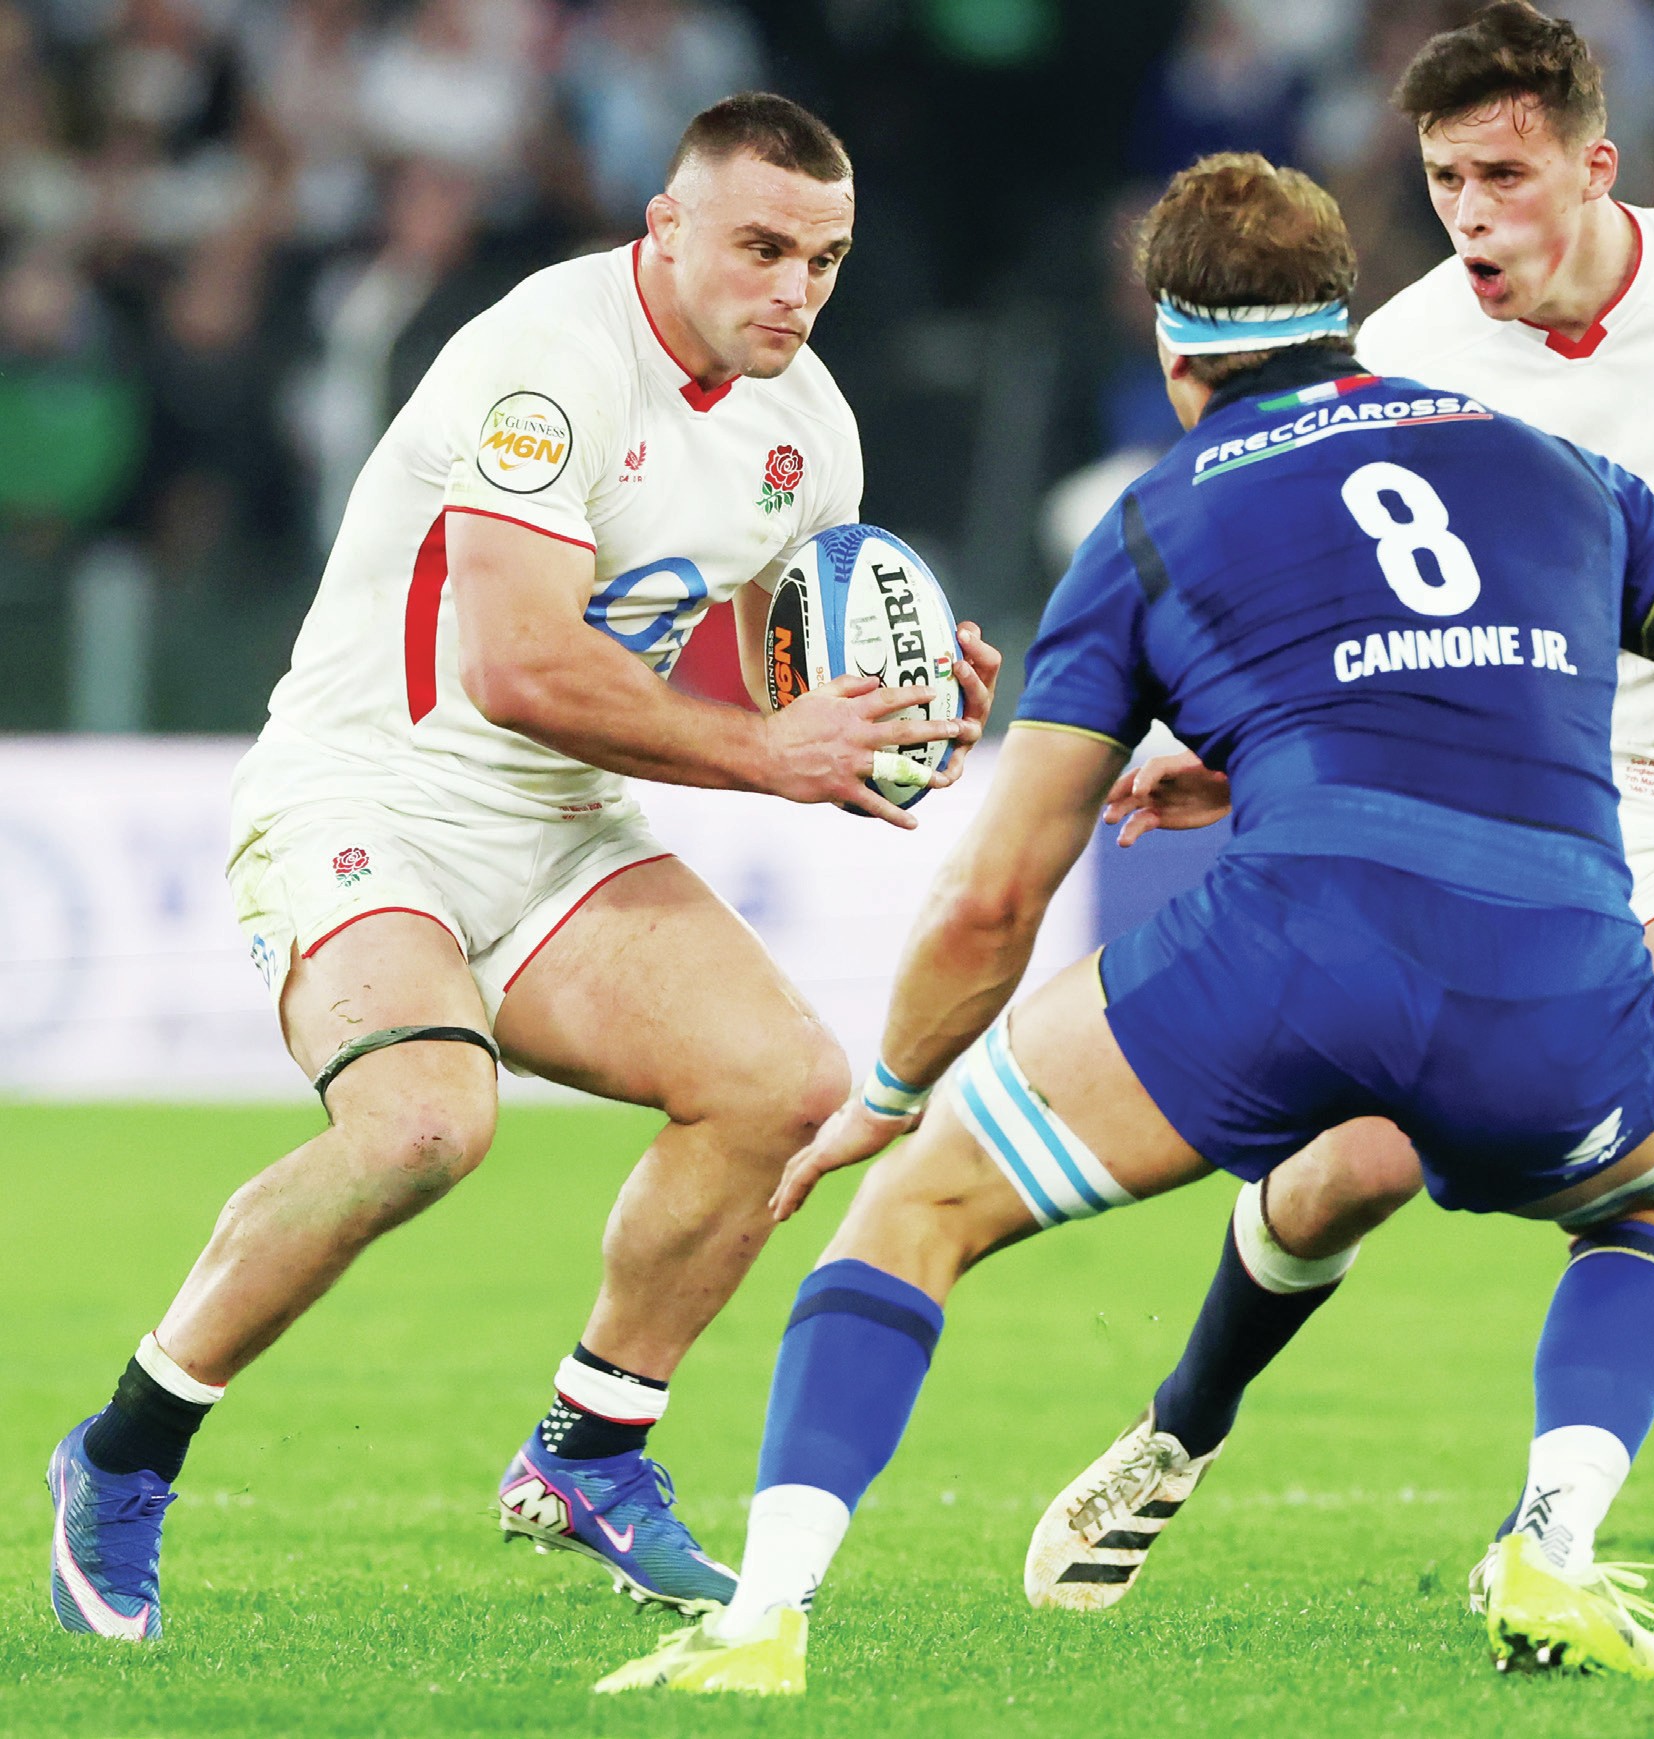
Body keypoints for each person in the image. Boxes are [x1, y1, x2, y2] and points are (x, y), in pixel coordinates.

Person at [593, 149, 1654, 1697]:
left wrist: (892, 1092)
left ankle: (763, 1623)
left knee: (917, 1214)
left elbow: (998, 893)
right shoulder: (1553, 467)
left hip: (1298, 951)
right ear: (1343, 313)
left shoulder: (1151, 522)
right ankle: (1553, 1540)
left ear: (1173, 347)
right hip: (1552, 965)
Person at [45, 91, 999, 1642]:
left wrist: (898, 706)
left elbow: (773, 658)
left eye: (823, 260)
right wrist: (773, 756)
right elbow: (515, 665)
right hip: (369, 792)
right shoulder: (548, 361)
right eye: (761, 248)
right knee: (424, 1124)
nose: (795, 290)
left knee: (780, 1084)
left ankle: (589, 1453)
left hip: (559, 831)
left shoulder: (808, 426)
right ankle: (123, 1455)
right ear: (666, 228)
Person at [1066, 0, 1654, 1619]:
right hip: (1531, 788)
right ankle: (1183, 1422)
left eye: (1505, 175)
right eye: (1444, 180)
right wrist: (1237, 757)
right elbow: (1364, 619)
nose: (1471, 214)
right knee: (1352, 1165)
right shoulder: (1412, 359)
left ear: (1596, 165)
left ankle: (1548, 1540)